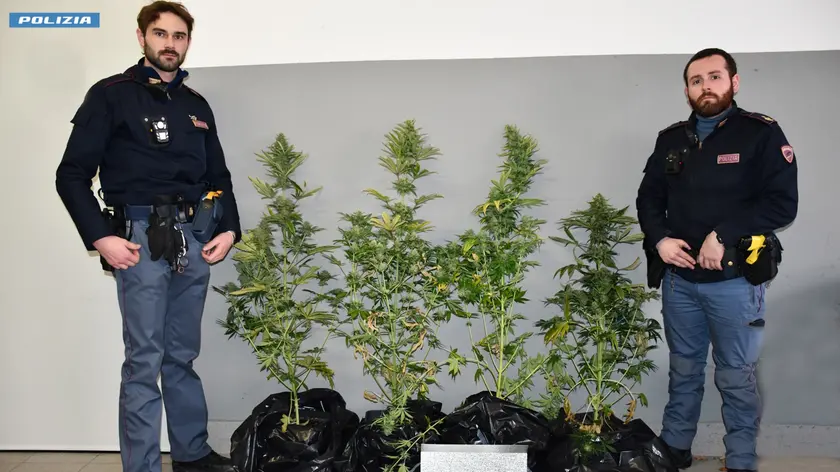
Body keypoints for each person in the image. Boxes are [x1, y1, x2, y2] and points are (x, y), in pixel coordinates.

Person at [55, 2, 240, 471]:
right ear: (141, 38)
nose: (170, 44)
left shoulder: (196, 105)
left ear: (188, 42)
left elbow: (219, 176)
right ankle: (141, 466)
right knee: (144, 360)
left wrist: (229, 229)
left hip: (193, 237)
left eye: (179, 36)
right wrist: (101, 237)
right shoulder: (110, 96)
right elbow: (71, 175)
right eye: (161, 34)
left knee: (182, 354)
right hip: (138, 239)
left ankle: (192, 454)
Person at [635, 48, 798, 472]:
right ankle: (675, 447)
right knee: (683, 371)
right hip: (679, 281)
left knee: (735, 375)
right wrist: (660, 240)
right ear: (687, 90)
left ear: (734, 82)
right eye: (696, 80)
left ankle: (741, 459)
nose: (705, 86)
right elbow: (649, 198)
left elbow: (782, 205)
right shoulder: (671, 138)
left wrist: (723, 235)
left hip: (735, 282)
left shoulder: (760, 133)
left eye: (714, 77)